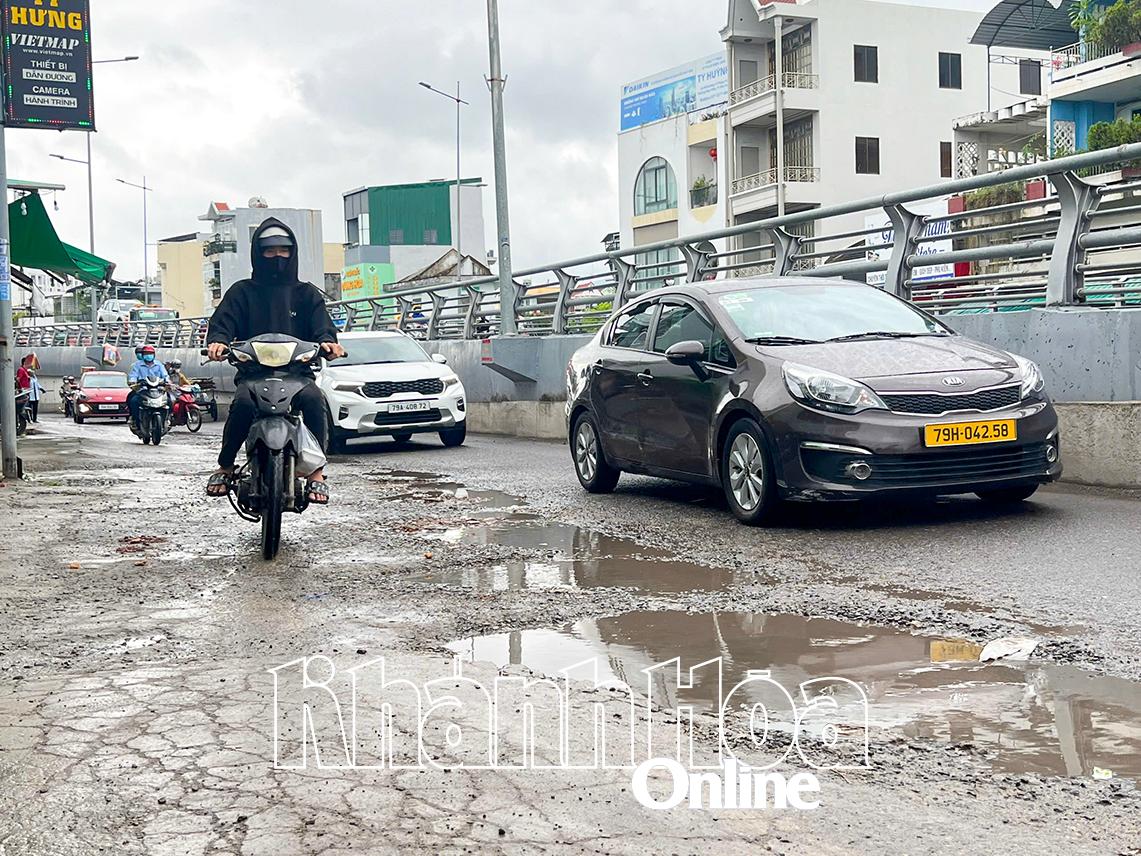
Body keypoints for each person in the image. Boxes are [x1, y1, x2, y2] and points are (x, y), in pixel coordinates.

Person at [205, 218, 344, 503]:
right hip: (253, 375)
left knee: (314, 400)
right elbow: (223, 323)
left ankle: (317, 471)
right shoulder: (241, 292)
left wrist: (328, 342)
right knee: (242, 404)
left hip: (297, 374)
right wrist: (218, 342)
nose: (277, 256)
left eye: (283, 250)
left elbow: (322, 326)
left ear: (293, 252)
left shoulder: (306, 293)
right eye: (269, 251)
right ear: (258, 253)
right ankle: (225, 465)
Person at [127, 345, 170, 431]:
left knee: (169, 400)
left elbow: (165, 376)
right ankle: (135, 420)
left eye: (150, 353)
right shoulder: (137, 365)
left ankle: (167, 419)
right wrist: (133, 382)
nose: (148, 355)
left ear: (154, 355)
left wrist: (168, 382)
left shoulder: (159, 365)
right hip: (143, 390)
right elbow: (133, 376)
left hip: (158, 390)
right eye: (146, 354)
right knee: (133, 401)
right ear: (143, 355)